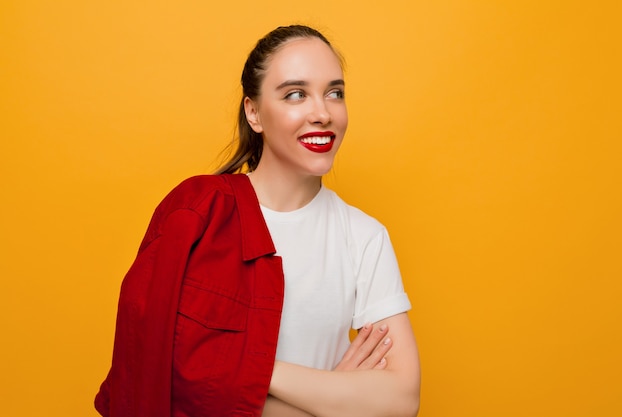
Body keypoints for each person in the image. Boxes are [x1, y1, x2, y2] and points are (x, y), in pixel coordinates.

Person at [95, 25, 420, 417]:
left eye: (334, 93)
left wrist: (246, 370)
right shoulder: (196, 214)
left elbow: (401, 400)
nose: (322, 113)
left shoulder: (365, 237)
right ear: (254, 113)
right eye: (295, 94)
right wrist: (335, 395)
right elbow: (153, 375)